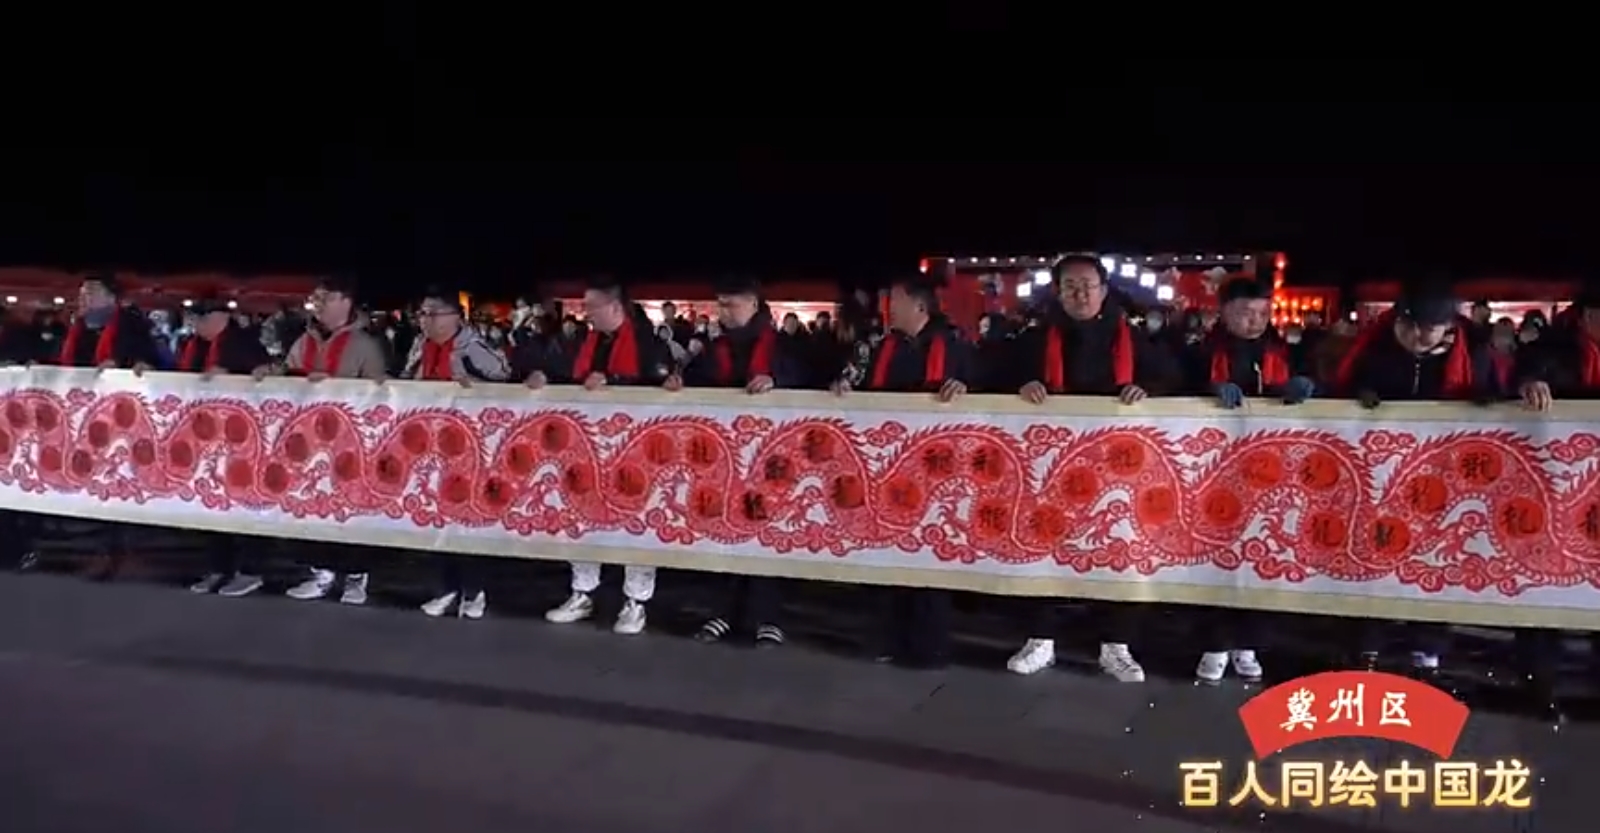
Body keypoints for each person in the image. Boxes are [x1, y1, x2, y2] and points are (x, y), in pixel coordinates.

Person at [1009, 253, 1177, 682]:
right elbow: (996, 375)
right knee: (1042, 545)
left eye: (1088, 285)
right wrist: (1021, 384)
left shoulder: (1132, 337)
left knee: (1119, 548)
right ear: (1058, 292)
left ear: (1104, 290)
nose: (1080, 294)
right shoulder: (1035, 338)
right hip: (1051, 468)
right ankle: (1040, 638)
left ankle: (1116, 645)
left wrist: (1147, 389)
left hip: (1118, 471)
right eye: (1070, 286)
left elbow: (1173, 378)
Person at [1335, 285, 1505, 672]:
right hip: (1382, 477)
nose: (1416, 336)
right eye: (1407, 326)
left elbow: (1500, 399)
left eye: (1428, 329)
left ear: (1448, 328)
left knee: (1435, 557)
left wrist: (1486, 401)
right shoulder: (1372, 350)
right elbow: (1338, 392)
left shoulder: (1476, 356)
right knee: (1374, 554)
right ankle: (1367, 643)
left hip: (1443, 478)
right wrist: (1359, 396)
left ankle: (1427, 645)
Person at [832, 275, 972, 669]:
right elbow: (852, 382)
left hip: (938, 470)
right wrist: (843, 388)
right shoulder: (879, 347)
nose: (888, 308)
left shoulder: (955, 345)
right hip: (887, 466)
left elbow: (986, 389)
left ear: (920, 305)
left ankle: (929, 644)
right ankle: (887, 637)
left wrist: (965, 388)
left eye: (895, 300)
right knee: (887, 551)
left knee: (930, 556)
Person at [1184, 278, 1317, 683]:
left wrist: (1306, 388)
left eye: (1263, 312)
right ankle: (1214, 642)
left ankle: (1249, 642)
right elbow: (1171, 387)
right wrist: (1206, 390)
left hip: (1268, 474)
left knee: (1263, 550)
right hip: (1213, 472)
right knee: (1215, 554)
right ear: (1224, 311)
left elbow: (1320, 388)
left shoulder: (1286, 351)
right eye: (1246, 312)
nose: (1256, 321)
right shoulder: (1198, 351)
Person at [537, 277, 675, 635]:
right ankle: (582, 591)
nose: (586, 313)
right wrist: (541, 376)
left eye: (592, 307)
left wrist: (614, 383)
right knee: (582, 516)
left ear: (614, 307)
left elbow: (660, 388)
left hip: (636, 449)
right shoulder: (585, 342)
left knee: (636, 520)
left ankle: (636, 601)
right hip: (588, 446)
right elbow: (562, 373)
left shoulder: (648, 343)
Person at [683, 277, 804, 648]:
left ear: (753, 304)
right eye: (720, 304)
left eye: (731, 304)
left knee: (765, 535)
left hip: (771, 456)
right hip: (726, 457)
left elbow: (807, 379)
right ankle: (723, 611)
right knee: (725, 532)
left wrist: (776, 380)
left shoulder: (782, 346)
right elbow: (693, 380)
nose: (724, 312)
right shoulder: (715, 348)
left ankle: (767, 616)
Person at [275, 275, 391, 605]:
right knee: (310, 506)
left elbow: (381, 392)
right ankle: (320, 571)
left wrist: (337, 388)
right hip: (309, 443)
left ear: (345, 302)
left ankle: (356, 575)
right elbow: (286, 375)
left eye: (325, 297)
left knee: (351, 511)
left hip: (350, 444)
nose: (318, 304)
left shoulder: (366, 344)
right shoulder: (303, 341)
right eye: (316, 298)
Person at [402, 288, 514, 620]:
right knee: (436, 519)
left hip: (470, 447)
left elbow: (506, 379)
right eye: (422, 314)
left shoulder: (473, 347)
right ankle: (445, 587)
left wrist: (474, 385)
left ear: (454, 316)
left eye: (433, 313)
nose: (425, 320)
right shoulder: (420, 346)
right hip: (430, 446)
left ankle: (473, 590)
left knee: (468, 521)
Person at [59, 272, 161, 580]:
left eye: (91, 292)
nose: (84, 298)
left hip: (124, 417)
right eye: (82, 292)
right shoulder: (79, 328)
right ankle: (103, 550)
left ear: (111, 297)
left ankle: (121, 551)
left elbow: (152, 360)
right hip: (88, 416)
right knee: (97, 485)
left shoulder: (132, 324)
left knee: (120, 483)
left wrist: (133, 366)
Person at [181, 296, 273, 598]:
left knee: (245, 507)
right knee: (211, 504)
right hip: (207, 437)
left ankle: (250, 570)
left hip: (242, 438)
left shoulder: (243, 343)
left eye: (201, 318)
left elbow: (266, 376)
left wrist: (238, 378)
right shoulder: (194, 347)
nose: (196, 325)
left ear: (219, 317)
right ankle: (219, 567)